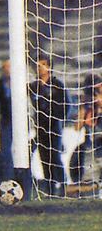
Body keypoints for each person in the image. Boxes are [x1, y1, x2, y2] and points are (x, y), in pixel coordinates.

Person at [29, 59, 71, 196]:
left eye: (43, 65)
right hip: (40, 126)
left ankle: (63, 185)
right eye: (38, 66)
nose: (40, 68)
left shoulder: (57, 84)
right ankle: (50, 188)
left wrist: (57, 116)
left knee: (55, 156)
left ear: (48, 67)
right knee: (44, 157)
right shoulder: (33, 86)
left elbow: (67, 104)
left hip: (54, 126)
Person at [0, 60, 14, 181]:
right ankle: (7, 177)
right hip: (5, 119)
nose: (7, 69)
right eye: (5, 67)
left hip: (19, 121)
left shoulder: (20, 81)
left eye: (9, 67)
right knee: (5, 151)